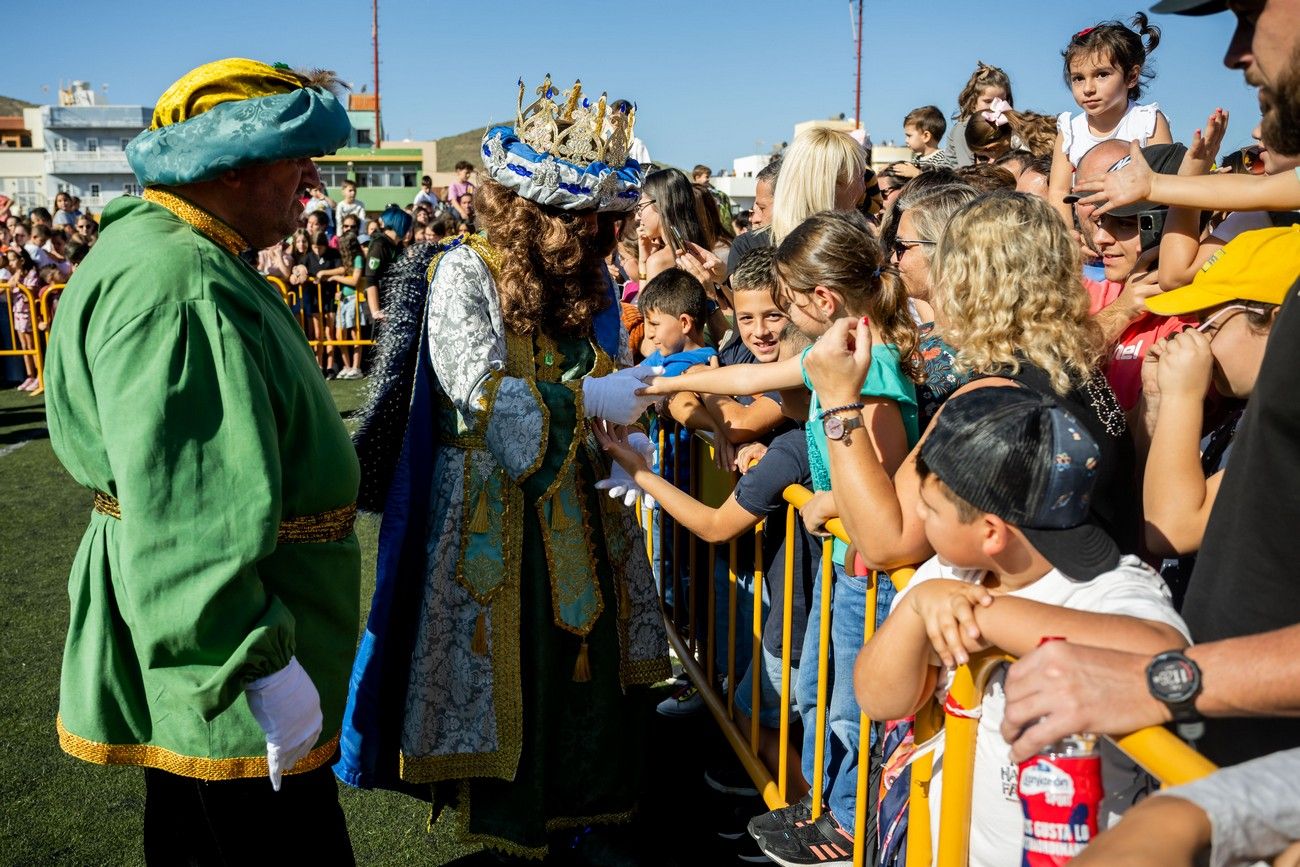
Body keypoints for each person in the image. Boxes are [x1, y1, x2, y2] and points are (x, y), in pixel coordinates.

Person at [337, 74, 669, 863]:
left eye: (608, 219)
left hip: (582, 501)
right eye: (588, 219)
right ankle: (518, 824)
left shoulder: (587, 280)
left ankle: (586, 815)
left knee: (587, 664)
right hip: (493, 511)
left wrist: (626, 427)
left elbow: (604, 370)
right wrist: (591, 399)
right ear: (541, 216)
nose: (603, 234)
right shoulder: (464, 270)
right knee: (512, 667)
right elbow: (477, 386)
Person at [41, 58, 359, 863]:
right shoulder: (184, 283)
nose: (312, 180)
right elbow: (191, 513)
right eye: (297, 158)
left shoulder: (174, 248)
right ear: (235, 168)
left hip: (228, 643)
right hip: (236, 660)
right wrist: (257, 664)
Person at [1000, 0, 1300, 773]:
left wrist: (1160, 681)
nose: (1234, 51)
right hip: (1223, 738)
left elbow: (1171, 520)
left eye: (1249, 10)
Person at [854, 385, 1188, 867]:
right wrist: (914, 609)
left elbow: (1166, 657)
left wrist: (985, 615)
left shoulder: (1105, 589)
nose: (920, 521)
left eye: (929, 510)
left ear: (990, 531)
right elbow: (880, 698)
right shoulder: (949, 574)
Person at [1139, 226, 1297, 608]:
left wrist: (1182, 396)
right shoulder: (1243, 411)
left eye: (1210, 322)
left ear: (1277, 323)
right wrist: (1158, 404)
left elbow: (1171, 529)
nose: (1198, 340)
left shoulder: (1288, 432)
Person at [1048, 13, 1174, 224]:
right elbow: (1058, 191)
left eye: (1102, 75)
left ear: (1131, 76)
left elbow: (1166, 183)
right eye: (1078, 78)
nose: (1088, 88)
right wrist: (1069, 235)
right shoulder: (1070, 131)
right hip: (1087, 233)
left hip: (1135, 231)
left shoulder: (1148, 122)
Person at [638, 267, 716, 374]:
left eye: (654, 324)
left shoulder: (691, 365)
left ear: (685, 323)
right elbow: (631, 373)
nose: (649, 335)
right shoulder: (664, 353)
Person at [945, 62, 1014, 168]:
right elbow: (967, 169)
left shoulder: (1008, 127)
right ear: (973, 103)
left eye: (1001, 100)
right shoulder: (964, 130)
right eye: (988, 101)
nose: (994, 107)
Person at [727, 157, 780, 275]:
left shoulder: (818, 244)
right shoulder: (745, 244)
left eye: (762, 208)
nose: (754, 219)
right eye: (752, 211)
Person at [904, 105, 956, 170]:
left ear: (926, 136)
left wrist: (915, 173)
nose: (906, 140)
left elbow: (937, 179)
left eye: (909, 136)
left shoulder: (941, 160)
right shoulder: (916, 160)